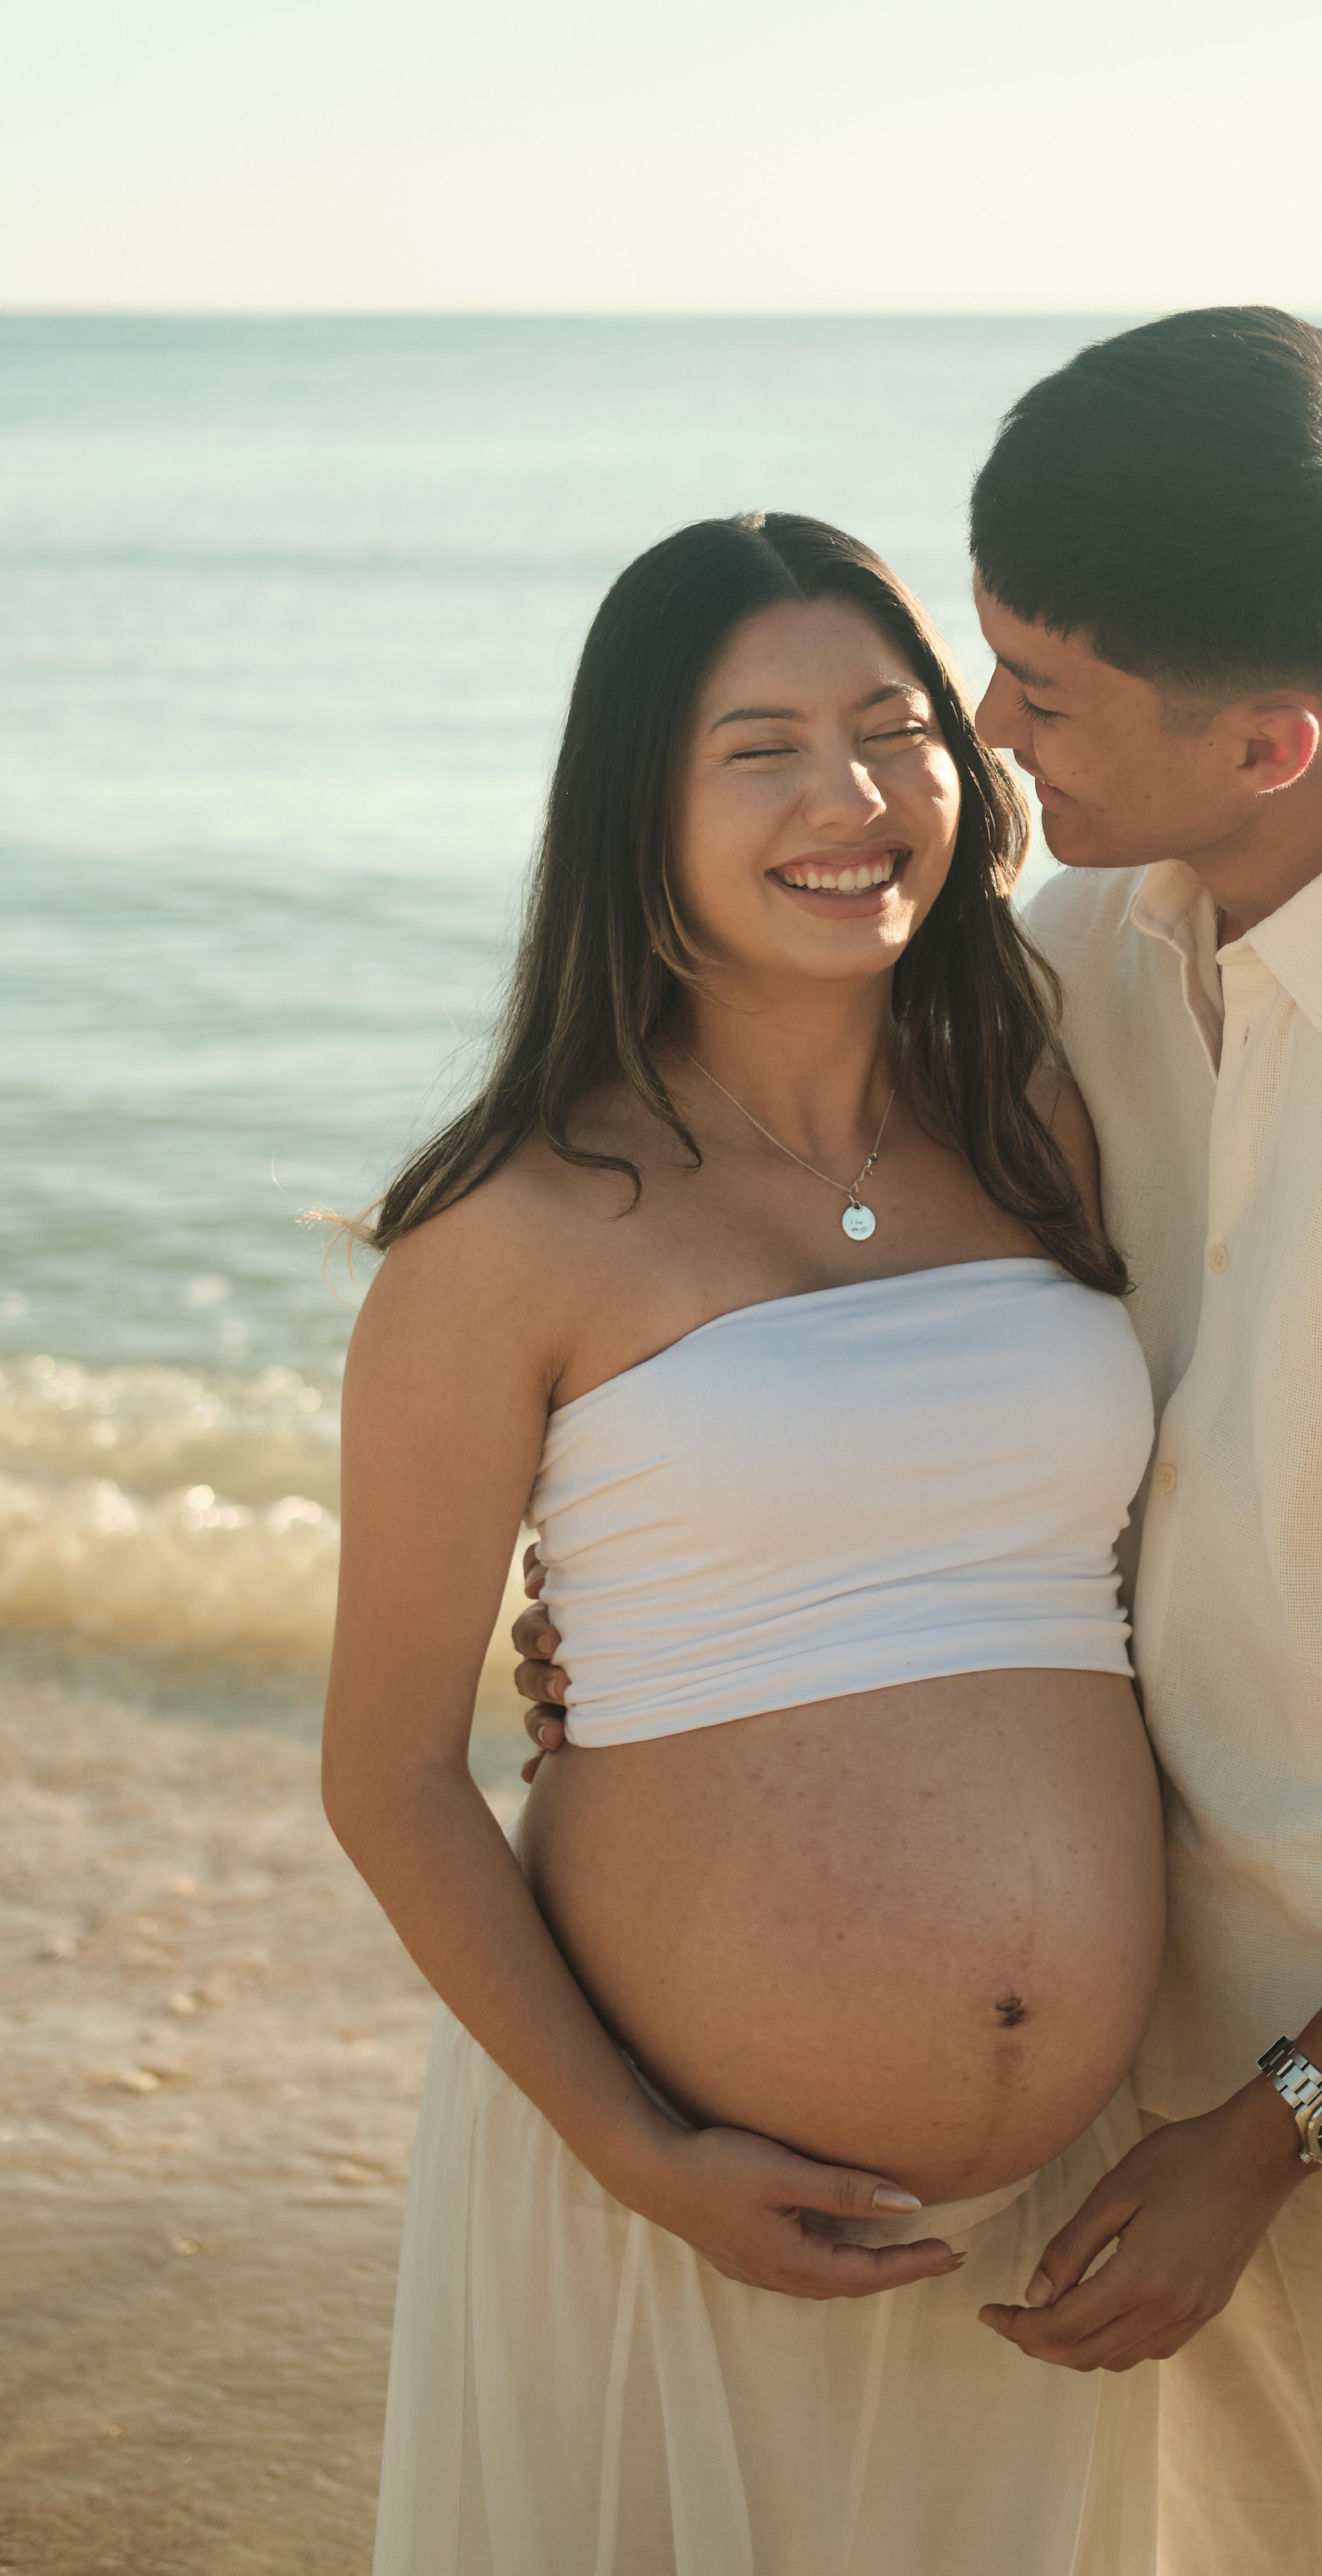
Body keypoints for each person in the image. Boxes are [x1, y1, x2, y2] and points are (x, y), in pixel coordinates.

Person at [508, 310, 1322, 2574]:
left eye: (1039, 694)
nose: (984, 733)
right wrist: (654, 1593)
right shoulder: (1098, 947)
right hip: (1153, 2077)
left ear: (1270, 736)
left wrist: (1278, 2132)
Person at [324, 512, 1166, 2576]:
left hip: (1049, 2225)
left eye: (896, 731)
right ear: (642, 804)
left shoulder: (1055, 1123)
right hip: (678, 2204)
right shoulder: (510, 1233)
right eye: (761, 747)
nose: (851, 800)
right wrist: (643, 2155)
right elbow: (390, 1774)